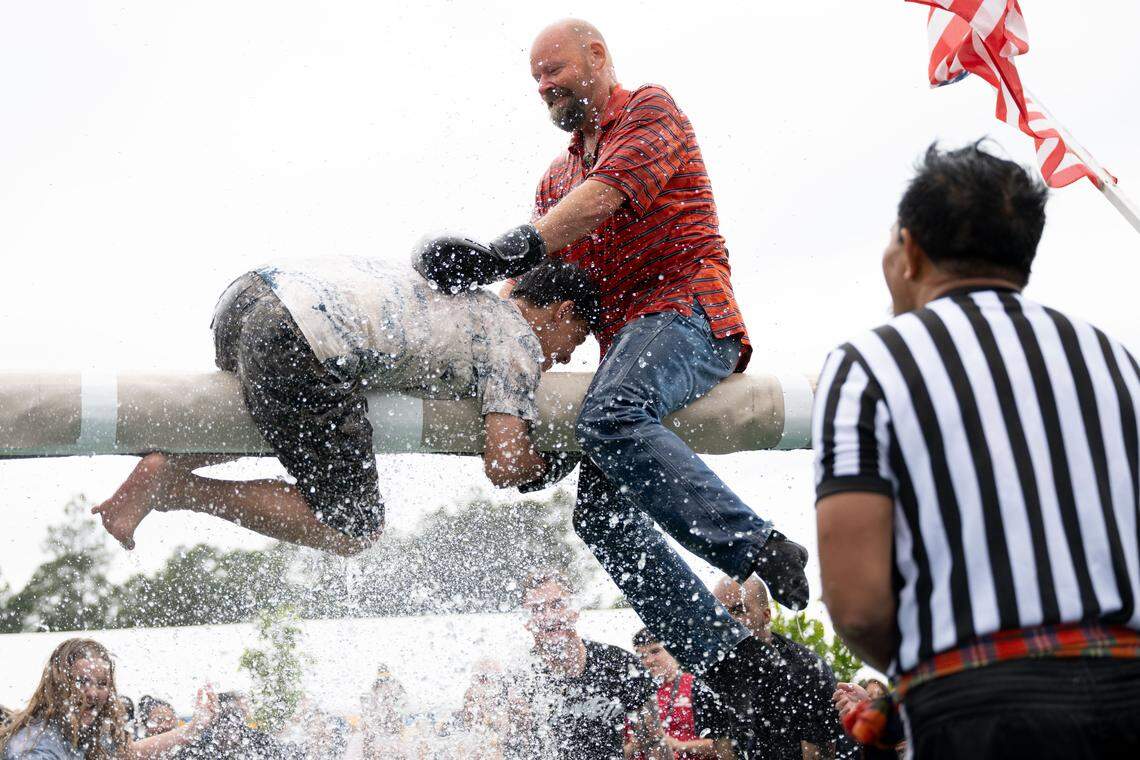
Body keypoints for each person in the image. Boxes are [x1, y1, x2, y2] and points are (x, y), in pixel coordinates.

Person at [413, 17, 808, 738]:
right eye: (535, 79)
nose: (544, 86)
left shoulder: (651, 111)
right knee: (597, 516)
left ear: (598, 56)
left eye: (554, 69)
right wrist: (469, 336)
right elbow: (534, 296)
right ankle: (730, 666)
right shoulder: (553, 179)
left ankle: (756, 548)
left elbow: (603, 197)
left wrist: (501, 250)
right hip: (629, 349)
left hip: (690, 314)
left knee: (609, 411)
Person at [813, 142, 1140, 758]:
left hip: (977, 706)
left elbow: (855, 603)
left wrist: (930, 668)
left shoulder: (871, 364)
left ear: (909, 251)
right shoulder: (1117, 363)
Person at [92, 257, 599, 555]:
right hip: (300, 333)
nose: (565, 357)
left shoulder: (469, 302)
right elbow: (505, 463)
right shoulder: (518, 339)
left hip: (250, 295)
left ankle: (164, 467)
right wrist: (554, 461)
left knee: (283, 423)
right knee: (353, 529)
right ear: (562, 311)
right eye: (575, 341)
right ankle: (176, 487)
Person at [519, 570, 674, 760]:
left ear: (574, 610)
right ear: (526, 621)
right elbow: (516, 748)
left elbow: (654, 741)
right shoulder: (522, 676)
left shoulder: (619, 664)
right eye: (537, 609)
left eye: (557, 605)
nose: (548, 616)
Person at [0, 638, 217, 759]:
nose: (93, 693)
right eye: (82, 681)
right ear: (57, 687)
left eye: (102, 684)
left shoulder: (87, 734)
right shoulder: (33, 748)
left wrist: (193, 729)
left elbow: (131, 753)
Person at [712, 576, 847, 759]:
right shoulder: (711, 674)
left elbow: (818, 756)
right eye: (720, 612)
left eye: (738, 610)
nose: (727, 622)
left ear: (766, 615)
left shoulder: (807, 669)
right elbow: (724, 751)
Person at [628, 628, 730, 760]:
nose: (648, 661)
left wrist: (678, 745)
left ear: (674, 651)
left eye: (655, 651)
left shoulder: (699, 687)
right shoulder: (634, 694)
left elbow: (726, 746)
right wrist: (637, 745)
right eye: (641, 655)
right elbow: (620, 750)